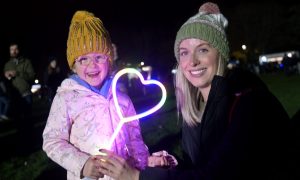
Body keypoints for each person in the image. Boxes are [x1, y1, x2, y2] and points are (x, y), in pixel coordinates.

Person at [97, 2, 290, 180]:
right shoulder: (195, 109)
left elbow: (216, 176)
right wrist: (174, 165)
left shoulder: (250, 103)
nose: (192, 61)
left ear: (221, 53)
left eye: (203, 49)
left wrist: (137, 177)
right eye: (184, 52)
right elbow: (200, 168)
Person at [42, 10, 171, 180]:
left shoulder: (122, 100)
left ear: (109, 61)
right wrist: (83, 164)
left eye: (99, 57)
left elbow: (135, 140)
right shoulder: (66, 99)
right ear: (73, 66)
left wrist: (144, 163)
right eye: (83, 59)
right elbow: (52, 140)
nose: (92, 65)